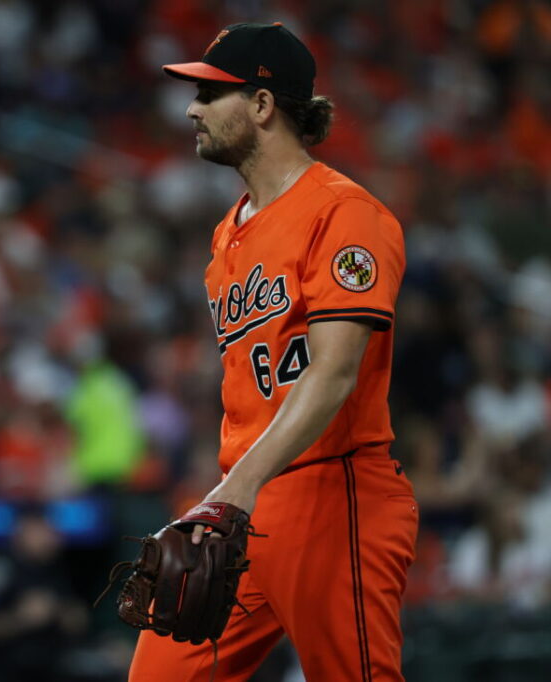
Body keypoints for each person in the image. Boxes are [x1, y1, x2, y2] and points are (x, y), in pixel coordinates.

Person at [128, 23, 417, 682]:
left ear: (262, 106)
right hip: (247, 507)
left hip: (335, 491)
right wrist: (231, 495)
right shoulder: (227, 233)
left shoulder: (345, 214)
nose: (192, 109)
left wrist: (235, 491)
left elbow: (335, 370)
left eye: (210, 93)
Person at [0, 508, 89, 682]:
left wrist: (63, 612)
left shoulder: (52, 566)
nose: (54, 540)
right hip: (1, 670)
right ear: (23, 531)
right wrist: (20, 619)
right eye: (44, 532)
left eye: (54, 532)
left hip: (47, 669)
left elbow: (77, 619)